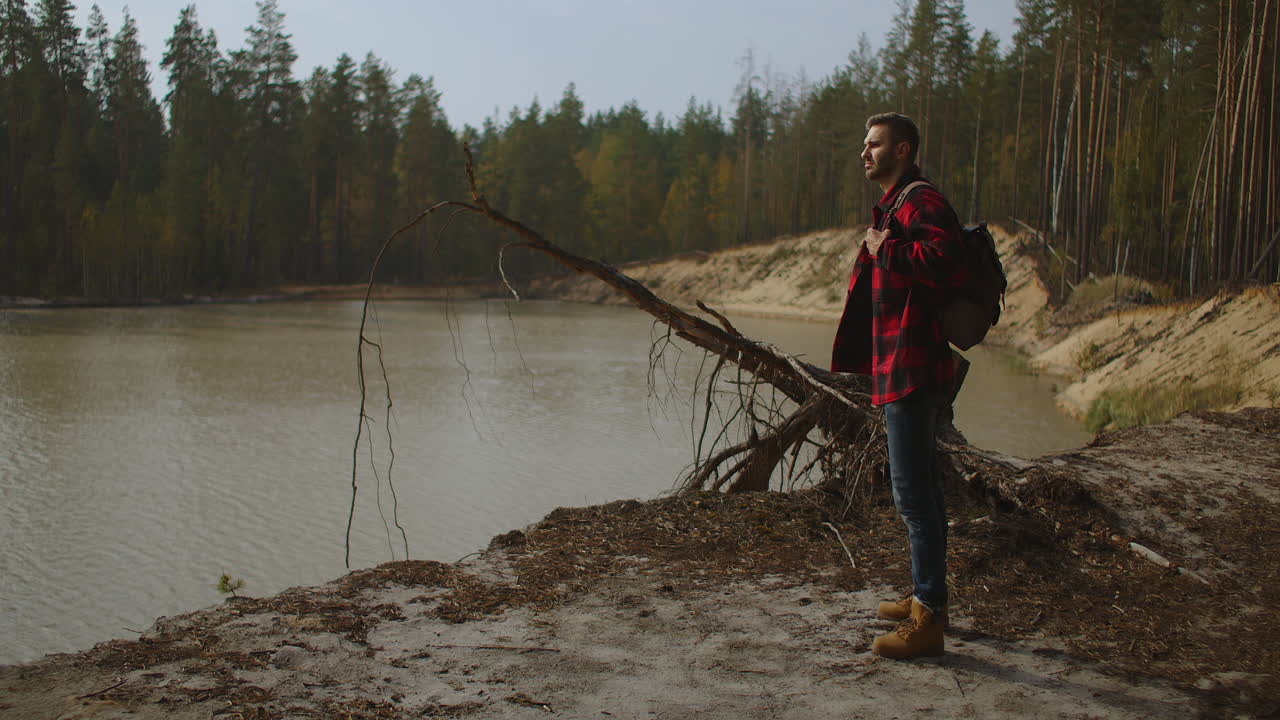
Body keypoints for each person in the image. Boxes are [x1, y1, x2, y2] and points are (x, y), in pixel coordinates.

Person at [830, 112, 965, 659]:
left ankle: (929, 617)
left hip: (912, 369)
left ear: (902, 149)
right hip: (899, 366)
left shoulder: (920, 202)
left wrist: (888, 250)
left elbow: (947, 261)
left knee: (914, 496)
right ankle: (924, 597)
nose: (864, 152)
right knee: (922, 493)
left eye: (874, 144)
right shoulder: (897, 205)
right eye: (864, 144)